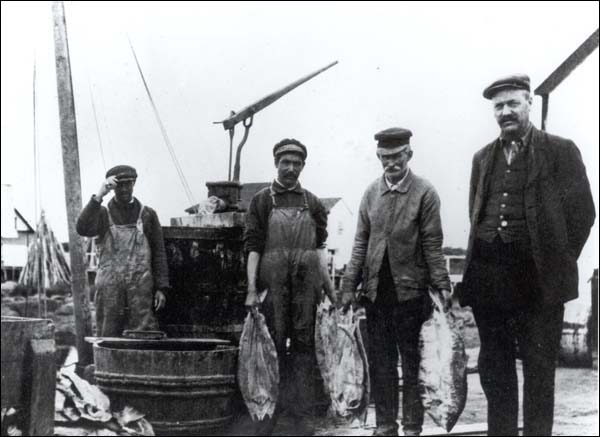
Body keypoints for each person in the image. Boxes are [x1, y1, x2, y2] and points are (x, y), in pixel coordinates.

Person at [460, 74, 596, 436]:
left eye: (512, 104)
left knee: (538, 371)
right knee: (495, 370)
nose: (505, 112)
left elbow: (583, 214)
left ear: (528, 103)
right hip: (490, 279)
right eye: (498, 106)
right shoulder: (482, 158)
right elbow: (476, 211)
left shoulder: (560, 150)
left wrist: (557, 259)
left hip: (539, 282)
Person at [341, 128, 451, 436]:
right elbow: (360, 243)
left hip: (411, 295)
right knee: (381, 364)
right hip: (377, 295)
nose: (391, 163)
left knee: (414, 364)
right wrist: (349, 285)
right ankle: (386, 426)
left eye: (397, 156)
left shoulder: (425, 193)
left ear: (409, 155)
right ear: (378, 157)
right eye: (385, 157)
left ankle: (413, 427)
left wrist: (441, 284)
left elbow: (432, 243)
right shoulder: (370, 194)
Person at [244, 138, 335, 436]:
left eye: (297, 163)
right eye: (286, 162)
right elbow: (253, 248)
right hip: (274, 284)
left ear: (303, 166)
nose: (291, 168)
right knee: (272, 348)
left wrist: (332, 292)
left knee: (305, 349)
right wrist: (251, 289)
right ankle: (269, 415)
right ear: (276, 163)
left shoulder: (313, 202)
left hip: (307, 286)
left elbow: (320, 251)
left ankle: (301, 417)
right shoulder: (261, 201)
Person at [76, 165, 169, 337]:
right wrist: (98, 196)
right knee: (108, 337)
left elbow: (159, 253)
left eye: (129, 184)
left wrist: (161, 288)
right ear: (112, 187)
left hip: (140, 289)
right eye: (120, 185)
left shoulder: (148, 215)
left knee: (143, 337)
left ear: (134, 184)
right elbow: (82, 228)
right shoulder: (103, 214)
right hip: (110, 290)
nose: (125, 189)